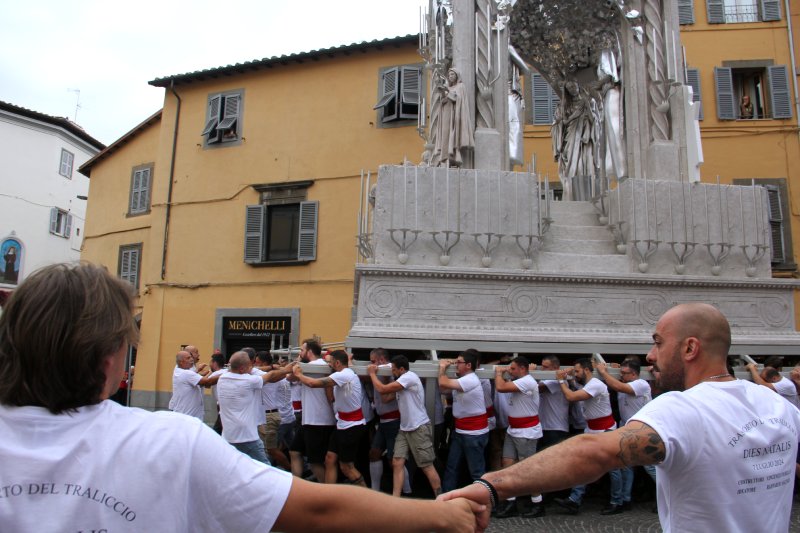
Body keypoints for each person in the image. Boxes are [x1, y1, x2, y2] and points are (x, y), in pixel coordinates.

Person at [0, 263, 483, 532]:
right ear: (110, 358)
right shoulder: (171, 442)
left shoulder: (211, 396)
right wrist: (437, 516)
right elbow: (318, 511)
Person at [440, 303, 800, 533]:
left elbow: (592, 453)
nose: (650, 355)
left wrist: (491, 485)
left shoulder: (684, 407)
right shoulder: (779, 406)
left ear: (690, 348)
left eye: (658, 342)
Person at [552, 358, 622, 515]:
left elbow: (571, 397)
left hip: (605, 430)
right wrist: (569, 378)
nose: (575, 374)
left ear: (587, 370)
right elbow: (576, 388)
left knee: (613, 468)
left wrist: (562, 380)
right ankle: (574, 500)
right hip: (591, 429)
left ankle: (617, 501)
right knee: (582, 464)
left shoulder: (595, 385)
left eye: (577, 371)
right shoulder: (587, 385)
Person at [367, 355, 442, 497]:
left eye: (394, 370)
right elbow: (385, 397)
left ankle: (441, 498)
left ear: (402, 369)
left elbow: (383, 390)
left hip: (418, 427)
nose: (392, 373)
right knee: (397, 462)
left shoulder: (409, 377)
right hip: (405, 428)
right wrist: (382, 376)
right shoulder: (401, 381)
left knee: (426, 466)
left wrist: (372, 374)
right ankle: (396, 499)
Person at [294, 349, 367, 486]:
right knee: (329, 458)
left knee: (346, 467)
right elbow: (331, 399)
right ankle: (329, 493)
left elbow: (312, 384)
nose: (328, 365)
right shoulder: (341, 375)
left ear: (337, 363)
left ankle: (367, 496)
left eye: (330, 363)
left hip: (352, 425)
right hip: (342, 424)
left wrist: (298, 374)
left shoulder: (344, 375)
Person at [595, 358, 654, 510]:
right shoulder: (627, 383)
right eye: (620, 373)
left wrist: (603, 372)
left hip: (642, 430)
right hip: (626, 429)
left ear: (634, 374)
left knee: (650, 468)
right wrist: (611, 368)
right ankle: (626, 499)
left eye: (624, 373)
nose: (621, 375)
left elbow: (619, 387)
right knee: (625, 466)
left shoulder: (641, 384)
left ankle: (668, 497)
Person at [217, 351, 294, 465]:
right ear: (242, 368)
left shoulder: (222, 378)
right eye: (250, 366)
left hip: (228, 436)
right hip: (247, 436)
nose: (252, 368)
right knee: (264, 468)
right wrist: (287, 369)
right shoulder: (248, 381)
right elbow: (271, 376)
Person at [492, 357, 545, 519]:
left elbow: (500, 387)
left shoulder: (527, 381)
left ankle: (538, 502)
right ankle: (510, 501)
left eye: (513, 369)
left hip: (527, 432)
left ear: (523, 368)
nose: (510, 371)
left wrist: (498, 372)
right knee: (508, 465)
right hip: (513, 430)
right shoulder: (521, 380)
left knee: (528, 469)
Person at [438, 349, 490, 492]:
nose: (455, 365)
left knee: (477, 471)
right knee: (452, 466)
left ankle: (485, 502)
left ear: (468, 365)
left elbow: (443, 381)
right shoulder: (462, 380)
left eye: (458, 362)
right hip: (461, 430)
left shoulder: (471, 379)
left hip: (473, 432)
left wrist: (442, 367)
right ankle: (446, 498)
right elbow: (443, 388)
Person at [288, 339, 336, 483]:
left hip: (317, 421)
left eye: (302, 350)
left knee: (315, 462)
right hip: (309, 420)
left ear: (309, 352)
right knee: (294, 451)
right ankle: (297, 485)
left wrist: (297, 364)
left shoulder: (313, 366)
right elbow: (290, 377)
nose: (300, 353)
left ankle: (326, 492)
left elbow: (290, 376)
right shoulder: (309, 366)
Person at [367, 348, 411, 494]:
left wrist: (374, 373)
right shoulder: (381, 370)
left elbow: (385, 396)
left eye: (373, 361)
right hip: (384, 420)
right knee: (374, 453)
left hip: (393, 420)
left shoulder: (389, 371)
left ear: (381, 360)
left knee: (394, 460)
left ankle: (406, 491)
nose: (370, 364)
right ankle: (375, 491)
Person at [433, 68, 474, 167]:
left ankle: (454, 156)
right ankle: (445, 157)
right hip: (446, 114)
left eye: (452, 74)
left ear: (457, 76)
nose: (450, 76)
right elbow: (443, 101)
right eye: (449, 75)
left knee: (453, 133)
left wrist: (448, 92)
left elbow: (459, 99)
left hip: (455, 115)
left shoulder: (460, 86)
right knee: (445, 134)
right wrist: (443, 93)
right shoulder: (448, 87)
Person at [168, 350, 218, 419]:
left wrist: (199, 371)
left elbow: (193, 378)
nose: (191, 359)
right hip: (188, 417)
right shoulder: (187, 373)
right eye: (188, 358)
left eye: (191, 357)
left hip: (185, 415)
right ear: (181, 362)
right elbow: (207, 382)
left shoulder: (179, 370)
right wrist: (226, 373)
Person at [537, 355, 570, 450]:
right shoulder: (545, 379)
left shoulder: (558, 381)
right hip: (543, 427)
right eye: (542, 366)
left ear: (556, 368)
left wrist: (529, 374)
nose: (542, 369)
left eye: (546, 367)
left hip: (556, 428)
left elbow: (538, 388)